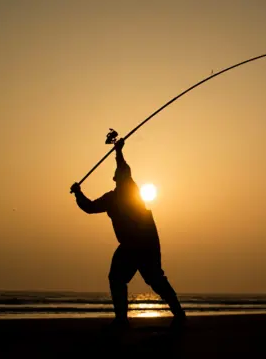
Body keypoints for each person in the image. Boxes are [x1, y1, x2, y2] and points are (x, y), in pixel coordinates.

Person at [70, 138, 185, 330]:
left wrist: (118, 152)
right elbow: (89, 207)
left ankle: (174, 315)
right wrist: (78, 194)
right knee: (130, 279)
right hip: (138, 244)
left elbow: (121, 170)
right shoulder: (118, 196)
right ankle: (126, 319)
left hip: (142, 242)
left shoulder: (129, 192)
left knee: (151, 279)